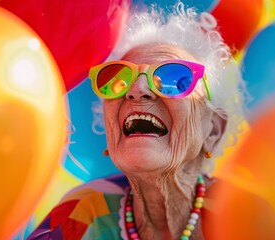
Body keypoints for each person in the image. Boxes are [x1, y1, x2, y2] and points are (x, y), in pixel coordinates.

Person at [28, 3, 246, 240]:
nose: (137, 89)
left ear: (213, 129)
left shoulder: (247, 216)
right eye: (118, 79)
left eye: (173, 77)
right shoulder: (79, 218)